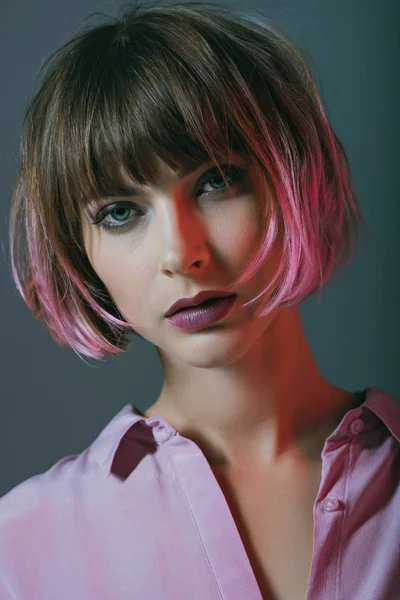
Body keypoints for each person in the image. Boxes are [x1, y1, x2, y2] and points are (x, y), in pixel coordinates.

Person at [2, 1, 399, 599]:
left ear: (293, 176)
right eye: (119, 213)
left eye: (216, 180)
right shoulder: (21, 545)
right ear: (81, 253)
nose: (181, 253)